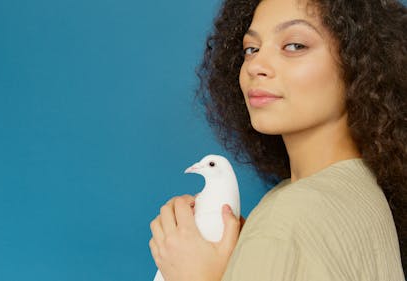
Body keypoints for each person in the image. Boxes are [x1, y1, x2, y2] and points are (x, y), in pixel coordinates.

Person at [148, 0, 406, 280]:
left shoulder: (286, 221)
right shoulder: (363, 192)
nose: (256, 65)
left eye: (295, 45)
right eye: (251, 49)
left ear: (360, 62)